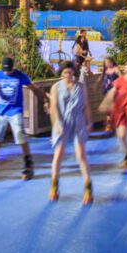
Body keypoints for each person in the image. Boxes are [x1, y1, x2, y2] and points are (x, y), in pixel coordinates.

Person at [0, 56, 48, 180]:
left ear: (13, 67)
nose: (7, 72)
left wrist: (45, 98)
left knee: (20, 136)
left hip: (15, 112)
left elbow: (33, 89)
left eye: (9, 70)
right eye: (5, 70)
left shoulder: (21, 76)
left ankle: (28, 164)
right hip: (1, 112)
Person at [48, 61, 93, 205]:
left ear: (74, 72)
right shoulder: (55, 87)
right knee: (59, 154)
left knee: (81, 154)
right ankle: (54, 186)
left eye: (71, 72)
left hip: (78, 121)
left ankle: (88, 187)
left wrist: (90, 121)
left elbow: (86, 105)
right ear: (61, 73)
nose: (68, 75)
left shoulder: (81, 87)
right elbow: (53, 108)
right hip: (62, 122)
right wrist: (56, 123)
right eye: (65, 73)